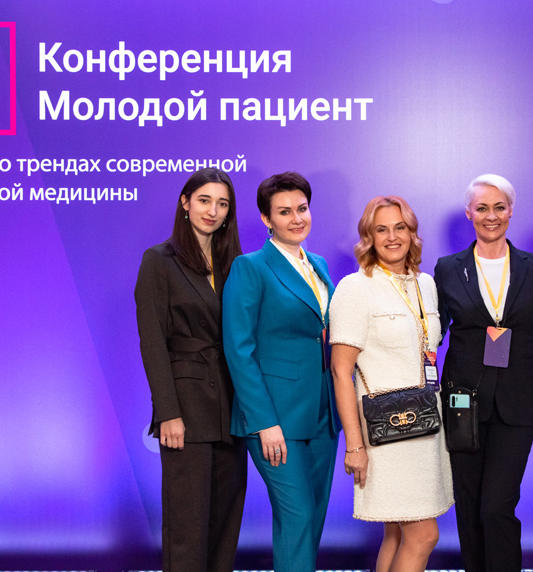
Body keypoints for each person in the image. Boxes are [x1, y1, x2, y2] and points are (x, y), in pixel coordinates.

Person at [222, 171, 341, 572]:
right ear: (266, 219)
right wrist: (264, 421)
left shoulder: (318, 264)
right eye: (284, 211)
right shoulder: (250, 267)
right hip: (276, 417)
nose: (296, 218)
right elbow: (239, 350)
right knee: (298, 516)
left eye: (302, 209)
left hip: (323, 413)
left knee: (313, 518)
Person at [330, 196, 454, 572]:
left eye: (400, 228)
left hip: (426, 425)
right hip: (385, 431)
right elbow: (341, 372)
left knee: (397, 535)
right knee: (424, 535)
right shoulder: (356, 287)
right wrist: (355, 445)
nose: (392, 237)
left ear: (412, 233)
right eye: (381, 229)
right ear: (369, 237)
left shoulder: (425, 284)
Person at [433, 174, 533, 572]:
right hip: (462, 401)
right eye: (482, 208)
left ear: (511, 211)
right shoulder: (448, 269)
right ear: (469, 213)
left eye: (499, 207)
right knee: (469, 507)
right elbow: (432, 330)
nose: (491, 215)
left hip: (517, 403)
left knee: (497, 506)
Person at [134, 167, 248, 572]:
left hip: (232, 409)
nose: (213, 211)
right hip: (186, 408)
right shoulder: (158, 260)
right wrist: (167, 412)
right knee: (187, 527)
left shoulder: (237, 264)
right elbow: (153, 342)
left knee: (224, 526)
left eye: (222, 204)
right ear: (185, 203)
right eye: (204, 200)